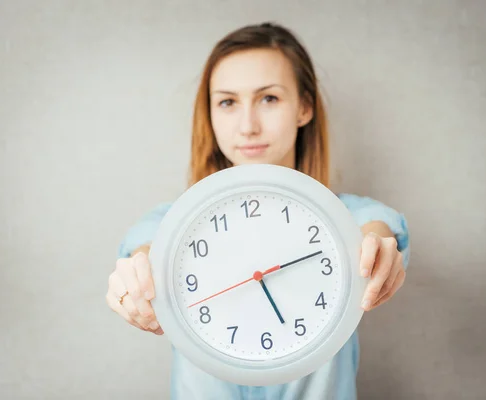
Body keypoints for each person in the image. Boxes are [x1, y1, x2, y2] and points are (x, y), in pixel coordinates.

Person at [106, 22, 410, 400]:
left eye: (268, 98)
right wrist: (135, 279)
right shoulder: (169, 225)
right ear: (211, 114)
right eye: (228, 102)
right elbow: (147, 249)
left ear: (304, 107)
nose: (248, 126)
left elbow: (376, 231)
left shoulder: (348, 216)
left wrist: (377, 250)